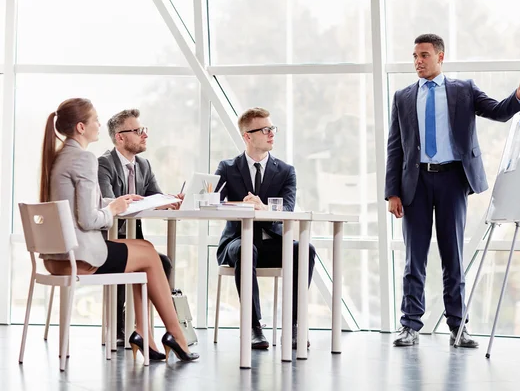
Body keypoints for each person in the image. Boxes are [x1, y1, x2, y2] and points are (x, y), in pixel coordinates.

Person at [385, 34, 520, 348]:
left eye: (424, 55)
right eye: (415, 55)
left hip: (452, 180)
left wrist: (519, 94)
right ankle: (409, 327)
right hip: (414, 184)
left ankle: (458, 327)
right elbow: (394, 148)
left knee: (452, 256)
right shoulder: (402, 96)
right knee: (413, 259)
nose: (418, 61)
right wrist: (392, 192)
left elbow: (498, 111)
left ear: (440, 57)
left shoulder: (463, 90)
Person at [39, 98, 198, 362]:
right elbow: (89, 220)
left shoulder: (61, 157)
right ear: (81, 127)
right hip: (80, 258)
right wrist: (112, 211)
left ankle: (144, 333)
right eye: (95, 120)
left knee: (146, 256)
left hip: (56, 259)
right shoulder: (85, 158)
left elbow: (80, 205)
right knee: (148, 253)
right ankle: (175, 334)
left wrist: (112, 203)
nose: (99, 124)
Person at [215, 107, 316, 349]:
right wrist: (242, 205)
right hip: (237, 242)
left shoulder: (286, 171)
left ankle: (292, 325)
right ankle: (254, 327)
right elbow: (213, 202)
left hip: (272, 241)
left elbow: (288, 210)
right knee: (245, 248)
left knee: (305, 249)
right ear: (247, 136)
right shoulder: (227, 168)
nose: (272, 134)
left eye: (272, 129)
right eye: (265, 129)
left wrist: (262, 208)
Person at [98, 108, 180, 347]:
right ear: (120, 137)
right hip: (109, 238)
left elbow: (154, 196)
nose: (144, 135)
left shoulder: (143, 164)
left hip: (135, 239)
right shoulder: (104, 163)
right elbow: (109, 202)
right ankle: (119, 326)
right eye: (137, 131)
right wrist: (145, 201)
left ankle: (144, 328)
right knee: (128, 266)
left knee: (163, 262)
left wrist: (169, 200)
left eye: (143, 130)